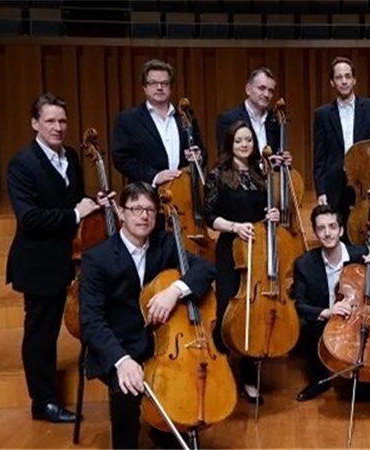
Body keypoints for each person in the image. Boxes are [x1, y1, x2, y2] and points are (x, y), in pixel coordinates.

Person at [79, 181, 216, 449]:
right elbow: (91, 321)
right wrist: (121, 361)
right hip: (119, 347)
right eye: (136, 209)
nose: (144, 216)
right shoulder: (97, 258)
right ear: (121, 213)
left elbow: (205, 269)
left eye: (150, 210)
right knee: (127, 390)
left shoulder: (165, 244)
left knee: (184, 379)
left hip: (161, 344)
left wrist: (174, 291)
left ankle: (165, 432)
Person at [6, 93, 104, 423]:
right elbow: (29, 218)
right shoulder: (22, 164)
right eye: (50, 121)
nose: (57, 127)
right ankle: (43, 402)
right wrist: (75, 213)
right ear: (35, 123)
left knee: (51, 329)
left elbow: (73, 199)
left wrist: (93, 202)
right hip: (37, 262)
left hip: (68, 257)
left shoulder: (71, 156)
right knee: (41, 334)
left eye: (62, 120)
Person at [204, 120, 290, 405]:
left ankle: (250, 377)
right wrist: (235, 226)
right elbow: (209, 216)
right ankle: (222, 371)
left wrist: (272, 215)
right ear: (230, 143)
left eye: (249, 140)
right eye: (239, 140)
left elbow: (265, 212)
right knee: (227, 309)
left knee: (255, 312)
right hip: (231, 248)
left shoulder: (261, 173)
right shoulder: (218, 174)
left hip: (258, 248)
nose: (244, 144)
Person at [290, 204, 368, 402]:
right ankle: (319, 379)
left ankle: (363, 376)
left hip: (355, 315)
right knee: (306, 325)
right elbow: (298, 303)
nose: (327, 233)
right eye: (321, 228)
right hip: (326, 318)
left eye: (332, 227)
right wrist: (327, 311)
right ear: (315, 233)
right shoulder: (304, 264)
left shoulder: (360, 255)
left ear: (341, 230)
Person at [312, 56, 370, 232]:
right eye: (339, 77)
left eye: (347, 76)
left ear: (354, 80)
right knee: (337, 234)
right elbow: (319, 157)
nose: (344, 81)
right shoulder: (322, 114)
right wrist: (321, 191)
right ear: (332, 82)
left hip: (365, 185)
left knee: (365, 234)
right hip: (335, 186)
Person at [111, 58, 204, 187]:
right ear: (144, 87)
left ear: (170, 87)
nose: (159, 87)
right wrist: (154, 176)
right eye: (153, 83)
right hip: (146, 192)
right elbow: (121, 159)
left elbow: (202, 152)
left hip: (183, 190)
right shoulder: (128, 119)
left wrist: (199, 157)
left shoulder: (186, 116)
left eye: (164, 83)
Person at [215, 67, 279, 156]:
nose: (266, 94)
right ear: (248, 89)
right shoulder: (228, 119)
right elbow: (225, 156)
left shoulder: (274, 120)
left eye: (270, 91)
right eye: (261, 88)